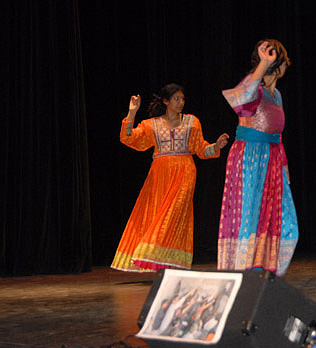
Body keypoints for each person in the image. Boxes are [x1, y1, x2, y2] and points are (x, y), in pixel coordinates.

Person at [111, 84, 229, 272]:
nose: (180, 102)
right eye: (176, 99)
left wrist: (216, 146)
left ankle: (155, 253)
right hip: (160, 175)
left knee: (174, 213)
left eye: (182, 99)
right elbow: (129, 138)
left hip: (185, 172)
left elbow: (201, 149)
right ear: (166, 101)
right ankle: (160, 259)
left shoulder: (192, 122)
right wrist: (132, 113)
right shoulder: (152, 124)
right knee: (158, 213)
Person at [217, 39, 299, 276]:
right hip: (250, 158)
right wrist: (263, 64)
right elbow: (240, 102)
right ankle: (244, 267)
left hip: (273, 159)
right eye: (284, 62)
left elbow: (278, 134)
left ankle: (262, 264)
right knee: (249, 213)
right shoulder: (255, 87)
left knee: (279, 216)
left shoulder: (277, 95)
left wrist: (284, 167)